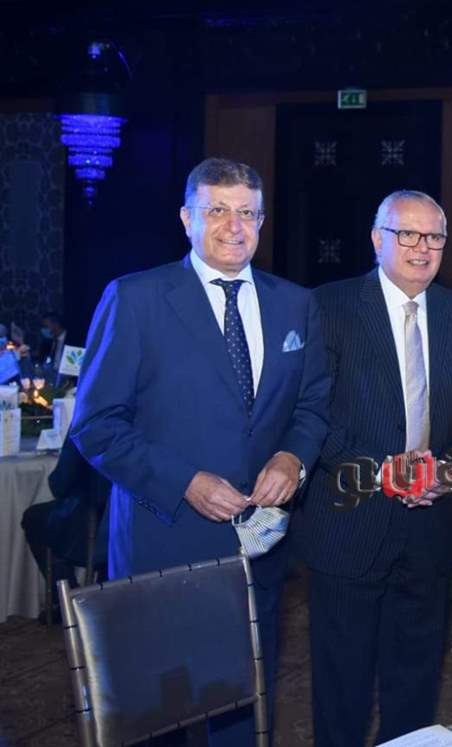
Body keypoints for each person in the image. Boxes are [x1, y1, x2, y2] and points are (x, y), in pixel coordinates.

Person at [70, 157, 330, 744]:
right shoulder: (136, 298)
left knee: (243, 716)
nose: (234, 226)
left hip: (257, 552)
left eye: (247, 213)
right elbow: (96, 425)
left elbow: (313, 404)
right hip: (163, 548)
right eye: (217, 210)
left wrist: (293, 458)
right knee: (157, 717)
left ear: (262, 222)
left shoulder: (295, 304)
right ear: (187, 218)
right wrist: (185, 480)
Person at [292, 190, 452, 745]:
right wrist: (381, 472)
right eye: (407, 234)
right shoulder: (328, 306)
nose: (421, 247)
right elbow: (312, 412)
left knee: (416, 681)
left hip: (429, 526)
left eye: (434, 237)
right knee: (343, 686)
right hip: (349, 521)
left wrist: (450, 472)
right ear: (377, 238)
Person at [20, 436, 110, 619]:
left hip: (91, 524)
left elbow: (60, 484)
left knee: (35, 518)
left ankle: (68, 599)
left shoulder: (86, 425)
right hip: (131, 522)